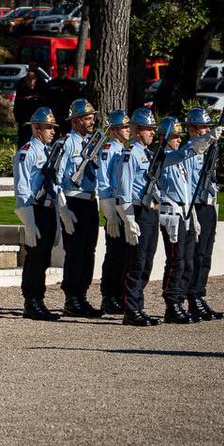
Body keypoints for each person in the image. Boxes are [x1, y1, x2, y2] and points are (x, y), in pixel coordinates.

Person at [115, 108, 220, 326]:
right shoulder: (130, 154)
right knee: (137, 262)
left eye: (153, 129)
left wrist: (208, 138)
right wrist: (128, 220)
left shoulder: (151, 155)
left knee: (147, 263)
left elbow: (183, 154)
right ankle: (132, 309)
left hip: (152, 211)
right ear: (136, 131)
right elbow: (123, 190)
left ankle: (138, 308)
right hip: (139, 211)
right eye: (147, 129)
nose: (151, 133)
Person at [13, 107, 61, 321]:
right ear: (36, 128)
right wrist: (29, 222)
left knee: (44, 257)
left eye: (53, 128)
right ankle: (32, 301)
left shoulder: (48, 151)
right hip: (36, 209)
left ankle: (38, 299)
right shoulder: (27, 152)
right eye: (48, 127)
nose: (52, 131)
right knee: (36, 257)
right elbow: (22, 187)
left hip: (49, 209)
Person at [56, 99, 103, 318]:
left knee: (89, 251)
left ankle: (82, 295)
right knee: (75, 251)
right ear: (76, 121)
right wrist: (63, 207)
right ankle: (72, 298)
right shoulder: (67, 143)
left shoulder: (93, 142)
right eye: (88, 118)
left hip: (90, 200)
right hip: (73, 199)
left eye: (93, 118)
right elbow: (57, 176)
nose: (92, 121)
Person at [184, 107, 224, 321]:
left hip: (208, 204)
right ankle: (192, 297)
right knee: (197, 254)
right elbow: (188, 183)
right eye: (202, 127)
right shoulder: (190, 150)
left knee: (206, 254)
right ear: (191, 129)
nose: (206, 131)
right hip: (196, 206)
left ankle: (200, 294)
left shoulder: (209, 147)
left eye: (208, 127)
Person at [156, 117, 196, 324]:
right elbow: (184, 152)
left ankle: (179, 299)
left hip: (184, 211)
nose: (178, 140)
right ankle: (171, 303)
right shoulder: (163, 156)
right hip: (170, 212)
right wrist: (204, 139)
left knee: (186, 260)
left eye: (180, 137)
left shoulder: (178, 159)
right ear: (163, 138)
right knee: (176, 260)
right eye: (174, 137)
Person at [95, 110, 131, 314]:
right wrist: (110, 215)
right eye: (125, 128)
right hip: (113, 208)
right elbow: (104, 183)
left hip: (123, 206)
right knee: (115, 255)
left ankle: (119, 294)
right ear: (115, 130)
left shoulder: (124, 150)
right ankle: (109, 296)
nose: (128, 131)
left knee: (125, 255)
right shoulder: (109, 150)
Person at [13, 68, 45, 146]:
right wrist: (18, 119)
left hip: (37, 120)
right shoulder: (22, 90)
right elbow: (17, 105)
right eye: (29, 79)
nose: (31, 81)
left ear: (36, 80)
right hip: (24, 120)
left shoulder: (40, 91)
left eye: (33, 79)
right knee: (23, 141)